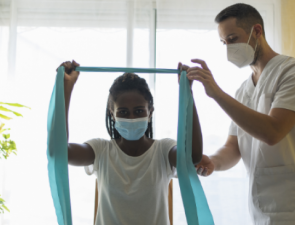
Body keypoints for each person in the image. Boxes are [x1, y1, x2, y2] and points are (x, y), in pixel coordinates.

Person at [187, 3, 295, 225]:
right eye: (224, 43)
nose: (228, 48)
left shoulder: (294, 72)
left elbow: (273, 132)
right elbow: (233, 147)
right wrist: (212, 162)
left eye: (232, 39)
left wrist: (216, 94)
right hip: (260, 207)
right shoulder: (243, 90)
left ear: (256, 31)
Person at [60, 60, 203, 225]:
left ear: (150, 112)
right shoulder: (101, 150)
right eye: (123, 112)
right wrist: (66, 88)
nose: (132, 118)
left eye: (139, 111)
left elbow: (193, 156)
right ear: (112, 114)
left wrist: (187, 92)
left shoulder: (163, 150)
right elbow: (59, 152)